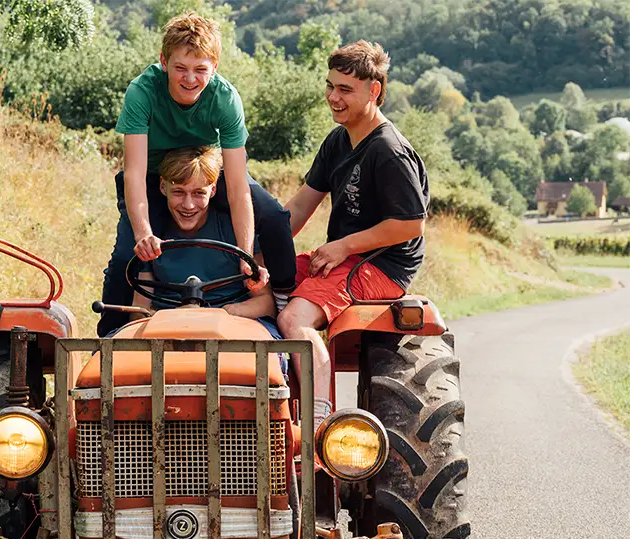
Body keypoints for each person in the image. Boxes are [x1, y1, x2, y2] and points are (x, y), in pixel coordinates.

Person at [98, 11, 296, 336]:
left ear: (214, 68)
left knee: (273, 216)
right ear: (164, 62)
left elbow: (236, 184)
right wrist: (142, 233)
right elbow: (133, 172)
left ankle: (283, 301)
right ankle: (107, 336)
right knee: (124, 259)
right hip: (154, 175)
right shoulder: (142, 92)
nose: (190, 79)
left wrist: (246, 255)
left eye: (200, 70)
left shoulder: (226, 99)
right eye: (180, 68)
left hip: (204, 171)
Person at [276, 40, 430, 430]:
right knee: (257, 288)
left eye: (345, 90)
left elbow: (411, 224)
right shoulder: (339, 140)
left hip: (381, 266)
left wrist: (343, 245)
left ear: (373, 90)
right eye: (330, 86)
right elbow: (300, 207)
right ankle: (268, 404)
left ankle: (319, 422)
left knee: (295, 320)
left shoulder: (388, 151)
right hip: (344, 257)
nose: (333, 97)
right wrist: (256, 255)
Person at [129, 146, 287, 375]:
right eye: (179, 192)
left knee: (267, 363)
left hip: (234, 324)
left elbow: (265, 302)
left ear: (213, 190)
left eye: (199, 193)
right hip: (168, 328)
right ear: (163, 186)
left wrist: (223, 314)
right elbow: (139, 309)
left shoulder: (237, 231)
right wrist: (168, 321)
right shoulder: (151, 235)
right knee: (112, 360)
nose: (188, 205)